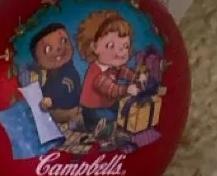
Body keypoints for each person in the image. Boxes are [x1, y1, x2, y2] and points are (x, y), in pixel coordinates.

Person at [77, 11, 145, 139]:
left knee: (124, 109)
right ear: (95, 47)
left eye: (125, 46)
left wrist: (136, 77)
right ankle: (95, 128)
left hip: (107, 105)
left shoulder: (113, 65)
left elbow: (125, 71)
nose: (121, 52)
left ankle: (90, 125)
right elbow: (110, 89)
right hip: (93, 109)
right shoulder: (96, 71)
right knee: (115, 116)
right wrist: (126, 90)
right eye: (110, 45)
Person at [30, 23, 82, 127]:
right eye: (48, 49)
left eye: (63, 41)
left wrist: (52, 101)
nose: (58, 48)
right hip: (55, 110)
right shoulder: (51, 73)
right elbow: (48, 88)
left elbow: (67, 94)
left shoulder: (69, 74)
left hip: (70, 110)